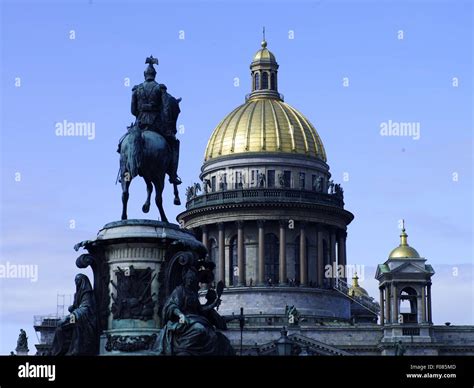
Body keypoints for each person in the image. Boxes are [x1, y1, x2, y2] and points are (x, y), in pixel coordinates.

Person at [127, 56, 182, 186]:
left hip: (140, 124)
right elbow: (166, 108)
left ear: (144, 75)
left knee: (123, 144)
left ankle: (126, 171)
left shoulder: (136, 89)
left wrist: (141, 113)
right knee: (174, 144)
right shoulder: (160, 88)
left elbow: (133, 110)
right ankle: (173, 175)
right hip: (156, 124)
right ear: (154, 75)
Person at [155, 267, 234, 355]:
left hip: (194, 318)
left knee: (211, 335)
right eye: (189, 279)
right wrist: (181, 315)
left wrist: (213, 304)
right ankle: (183, 348)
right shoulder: (179, 290)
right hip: (181, 320)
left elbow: (200, 310)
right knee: (199, 329)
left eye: (192, 279)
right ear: (185, 279)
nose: (190, 281)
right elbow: (172, 306)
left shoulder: (193, 293)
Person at [50, 274, 97, 355]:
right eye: (75, 281)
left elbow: (85, 308)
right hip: (77, 318)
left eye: (78, 280)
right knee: (59, 329)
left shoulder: (87, 293)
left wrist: (70, 316)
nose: (76, 283)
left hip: (87, 320)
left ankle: (74, 350)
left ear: (83, 282)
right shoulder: (77, 294)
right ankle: (57, 352)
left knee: (76, 326)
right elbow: (77, 306)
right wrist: (72, 308)